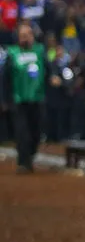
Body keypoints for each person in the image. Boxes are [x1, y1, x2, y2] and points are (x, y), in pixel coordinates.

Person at [6, 23, 46, 174]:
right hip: (18, 99)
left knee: (36, 132)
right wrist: (4, 99)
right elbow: (5, 78)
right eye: (23, 35)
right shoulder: (12, 53)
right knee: (22, 132)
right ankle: (23, 163)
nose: (26, 38)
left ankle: (30, 154)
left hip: (37, 98)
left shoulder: (40, 51)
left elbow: (48, 69)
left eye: (28, 35)